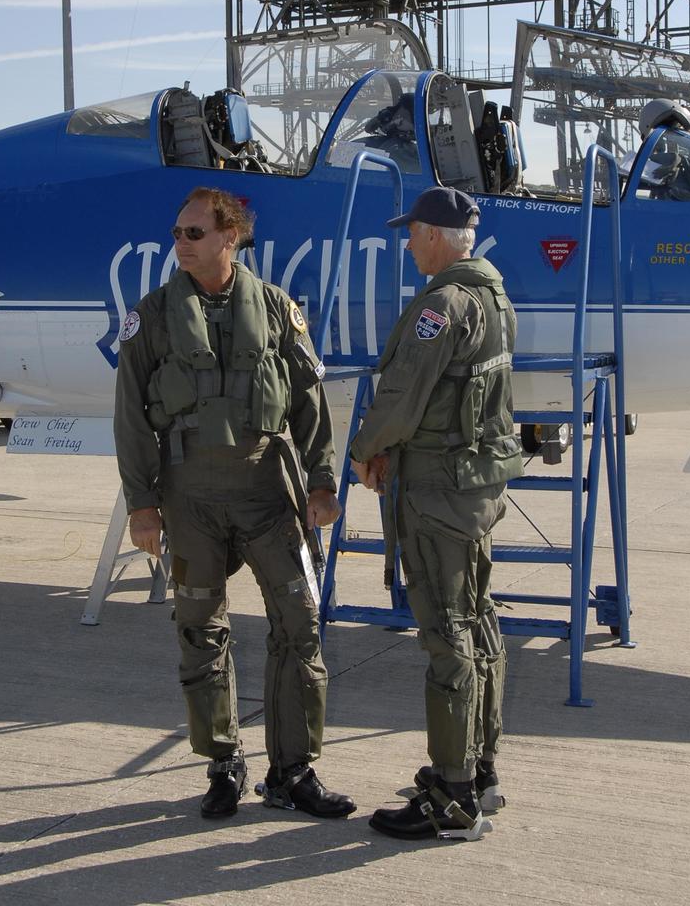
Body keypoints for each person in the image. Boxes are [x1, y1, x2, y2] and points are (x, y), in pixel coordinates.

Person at [114, 186, 355, 821]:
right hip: (189, 500)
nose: (180, 243)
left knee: (299, 625)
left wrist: (323, 484)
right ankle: (222, 763)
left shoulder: (277, 311)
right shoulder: (153, 316)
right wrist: (142, 505)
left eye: (194, 233)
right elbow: (131, 419)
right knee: (200, 630)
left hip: (270, 496)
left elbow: (310, 405)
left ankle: (293, 771)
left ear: (231, 236)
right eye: (176, 232)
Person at [349, 186, 522, 840]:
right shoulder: (493, 295)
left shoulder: (443, 303)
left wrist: (367, 449)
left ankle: (452, 797)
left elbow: (402, 395)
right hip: (473, 489)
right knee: (477, 625)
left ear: (434, 234)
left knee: (446, 635)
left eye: (413, 231)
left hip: (437, 493)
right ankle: (479, 772)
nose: (407, 242)